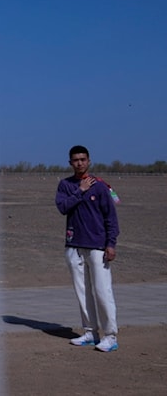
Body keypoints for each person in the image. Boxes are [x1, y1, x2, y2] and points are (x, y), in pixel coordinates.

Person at [55, 145, 120, 352]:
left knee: (102, 291)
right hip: (74, 245)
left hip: (97, 247)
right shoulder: (65, 185)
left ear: (89, 161)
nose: (79, 163)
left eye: (83, 159)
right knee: (82, 292)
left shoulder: (100, 187)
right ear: (70, 162)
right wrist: (80, 190)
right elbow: (63, 207)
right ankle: (91, 333)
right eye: (75, 160)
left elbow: (111, 218)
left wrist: (111, 244)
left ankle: (110, 336)